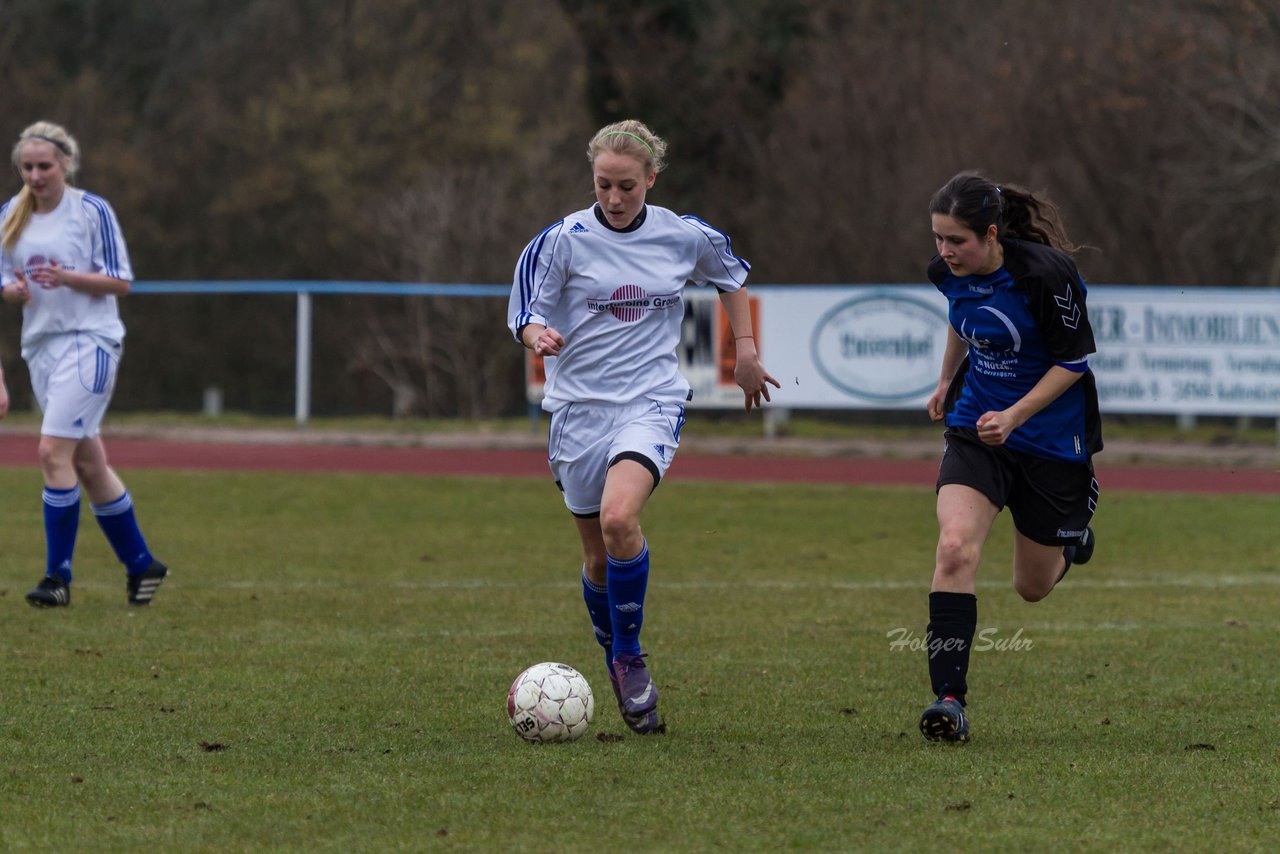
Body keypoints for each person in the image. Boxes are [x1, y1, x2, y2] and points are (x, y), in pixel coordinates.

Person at [508, 119, 779, 734]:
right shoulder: (562, 242)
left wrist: (746, 351)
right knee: (597, 561)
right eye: (603, 184)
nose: (614, 197)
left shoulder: (684, 235)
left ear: (651, 179)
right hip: (577, 409)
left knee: (619, 519)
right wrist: (535, 333)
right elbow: (525, 309)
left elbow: (731, 275)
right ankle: (613, 652)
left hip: (650, 401)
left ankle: (630, 659)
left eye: (627, 185)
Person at [918, 171, 1100, 743]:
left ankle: (1074, 539)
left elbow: (1074, 363)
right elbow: (960, 318)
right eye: (938, 239)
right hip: (978, 430)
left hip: (1049, 441)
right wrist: (947, 379)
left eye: (957, 241)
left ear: (991, 234)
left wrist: (1017, 416)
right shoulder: (946, 274)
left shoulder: (1046, 275)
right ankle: (949, 700)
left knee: (1032, 587)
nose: (945, 252)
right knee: (954, 548)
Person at [0, 121, 168, 608]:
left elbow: (121, 282)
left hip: (90, 342)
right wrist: (10, 291)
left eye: (44, 166)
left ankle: (57, 578)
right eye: (27, 167)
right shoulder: (10, 215)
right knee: (89, 464)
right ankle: (142, 564)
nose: (35, 175)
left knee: (52, 451)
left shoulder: (91, 210)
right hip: (42, 349)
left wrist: (68, 276)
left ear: (66, 164)